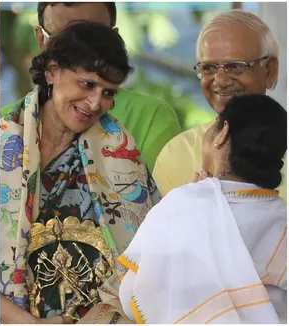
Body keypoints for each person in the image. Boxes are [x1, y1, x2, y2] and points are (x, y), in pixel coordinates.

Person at [0, 21, 159, 324]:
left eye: (108, 92)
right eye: (87, 84)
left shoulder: (120, 152)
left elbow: (154, 244)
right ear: (52, 71)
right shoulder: (3, 141)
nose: (96, 103)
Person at [119, 94, 287, 323]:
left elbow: (132, 297)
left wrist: (195, 201)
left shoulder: (183, 204)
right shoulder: (282, 218)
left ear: (222, 133)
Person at [1, 2, 182, 172]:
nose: (95, 104)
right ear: (42, 42)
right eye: (66, 42)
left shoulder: (150, 116)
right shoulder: (5, 125)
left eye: (96, 39)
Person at [153, 10, 287, 201]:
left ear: (269, 71)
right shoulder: (176, 154)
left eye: (235, 66)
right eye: (208, 68)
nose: (221, 81)